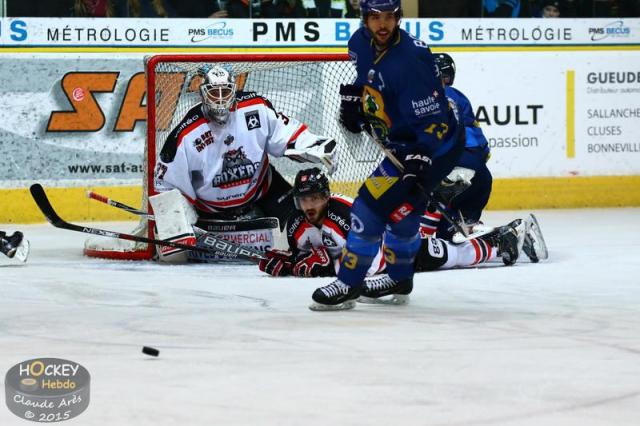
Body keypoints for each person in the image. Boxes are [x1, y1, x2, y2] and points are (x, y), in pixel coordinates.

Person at [310, 0, 467, 311]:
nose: (382, 25)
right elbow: (367, 76)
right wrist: (356, 99)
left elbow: (434, 120)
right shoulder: (359, 41)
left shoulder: (411, 61)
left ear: (398, 18)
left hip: (434, 145)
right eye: (375, 17)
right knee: (403, 212)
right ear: (364, 18)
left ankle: (349, 282)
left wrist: (420, 159)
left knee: (367, 208)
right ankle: (399, 277)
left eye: (389, 18)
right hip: (406, 141)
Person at [153, 66, 337, 261]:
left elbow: (283, 133)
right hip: (210, 210)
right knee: (174, 257)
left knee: (310, 231)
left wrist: (311, 145)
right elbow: (165, 183)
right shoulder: (185, 135)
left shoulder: (256, 108)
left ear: (234, 90)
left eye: (226, 92)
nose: (221, 99)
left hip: (262, 190)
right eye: (215, 93)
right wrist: (174, 222)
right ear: (203, 94)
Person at [260, 168, 543, 281]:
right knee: (443, 246)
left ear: (326, 196)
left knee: (454, 255)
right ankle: (433, 210)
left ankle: (503, 244)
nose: (309, 206)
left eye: (314, 199)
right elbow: (306, 254)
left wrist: (328, 268)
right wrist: (289, 262)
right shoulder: (297, 223)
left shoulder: (348, 213)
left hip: (398, 244)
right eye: (303, 200)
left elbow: (375, 263)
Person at [422, 53, 492, 240]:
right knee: (482, 181)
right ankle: (467, 223)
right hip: (477, 166)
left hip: (450, 160)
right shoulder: (458, 95)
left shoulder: (425, 95)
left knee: (436, 191)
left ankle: (436, 230)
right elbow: (483, 147)